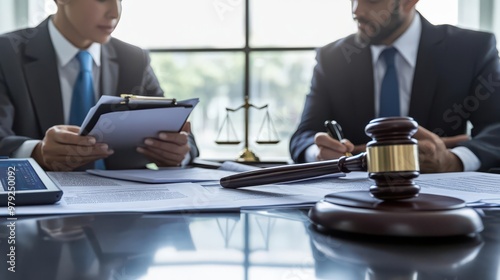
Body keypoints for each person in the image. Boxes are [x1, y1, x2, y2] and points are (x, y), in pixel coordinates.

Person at [290, 0, 500, 172]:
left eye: (372, 0)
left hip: (443, 207)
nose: (357, 10)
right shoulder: (333, 59)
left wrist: (454, 160)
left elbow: (496, 127)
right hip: (351, 204)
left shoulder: (472, 50)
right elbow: (304, 135)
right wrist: (319, 153)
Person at [0, 0, 198, 171]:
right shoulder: (7, 53)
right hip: (38, 205)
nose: (115, 13)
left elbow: (181, 133)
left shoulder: (134, 60)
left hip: (125, 205)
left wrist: (179, 152)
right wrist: (36, 153)